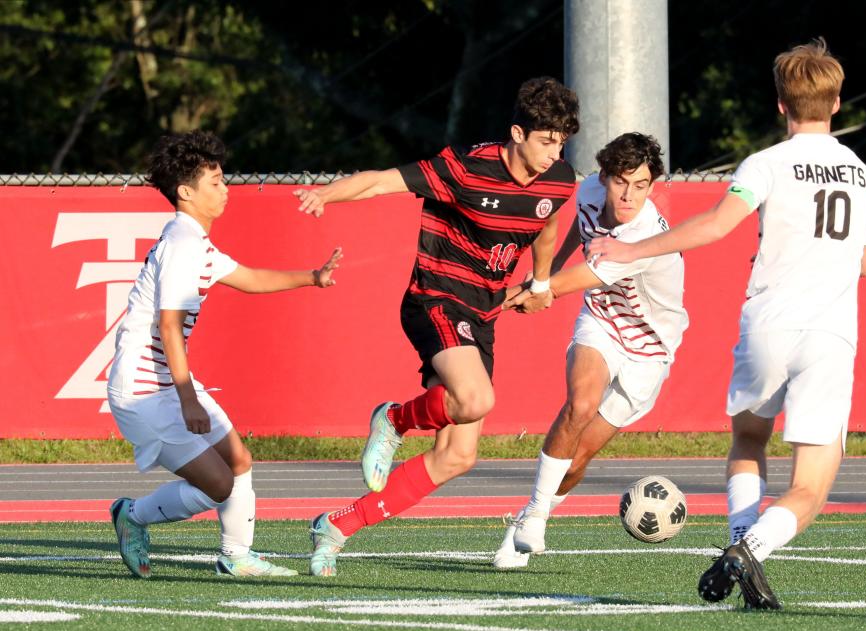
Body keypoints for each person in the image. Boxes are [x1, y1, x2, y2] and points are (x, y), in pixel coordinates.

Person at [587, 39, 866, 609]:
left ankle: (741, 547)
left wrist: (629, 250)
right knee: (810, 487)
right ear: (838, 103)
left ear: (780, 105)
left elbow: (718, 226)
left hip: (767, 325)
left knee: (749, 439)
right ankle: (750, 553)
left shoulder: (766, 163)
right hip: (828, 335)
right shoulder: (861, 173)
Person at [293, 76, 579, 576]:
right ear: (517, 132)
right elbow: (383, 179)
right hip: (436, 296)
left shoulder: (558, 179)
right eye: (545, 140)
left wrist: (539, 283)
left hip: (483, 314)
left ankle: (336, 525)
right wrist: (328, 195)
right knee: (476, 400)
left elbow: (547, 223)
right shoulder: (466, 167)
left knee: (457, 455)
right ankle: (395, 419)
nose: (554, 151)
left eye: (561, 141)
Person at [108, 130, 342, 578]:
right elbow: (169, 325)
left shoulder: (197, 243)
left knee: (239, 462)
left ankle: (236, 556)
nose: (225, 189)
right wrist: (187, 398)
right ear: (186, 192)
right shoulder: (181, 244)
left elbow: (250, 278)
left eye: (223, 179)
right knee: (219, 484)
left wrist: (312, 277)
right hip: (143, 391)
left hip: (166, 383)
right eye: (215, 181)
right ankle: (132, 516)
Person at [492, 132, 688, 568]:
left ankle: (525, 517)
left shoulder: (643, 233)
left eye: (641, 185)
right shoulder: (589, 190)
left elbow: (567, 286)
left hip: (649, 350)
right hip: (600, 321)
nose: (629, 195)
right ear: (604, 176)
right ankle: (536, 519)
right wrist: (547, 270)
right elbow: (571, 236)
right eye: (622, 182)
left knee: (579, 457)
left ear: (652, 187)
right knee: (579, 405)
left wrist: (511, 295)